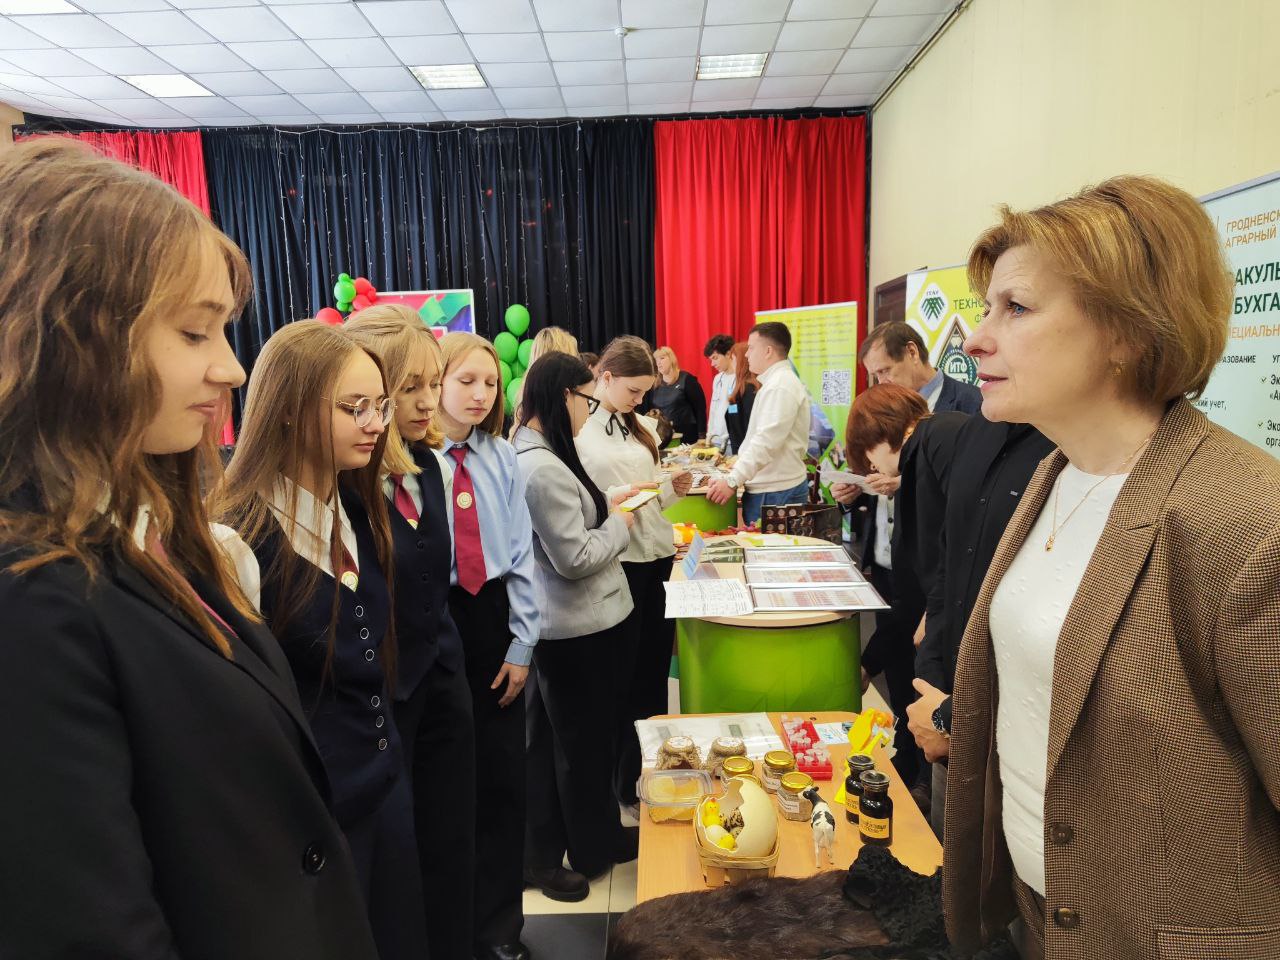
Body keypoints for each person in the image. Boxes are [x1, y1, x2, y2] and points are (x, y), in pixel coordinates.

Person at [0, 139, 378, 960]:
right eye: (194, 332)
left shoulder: (152, 532)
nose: (232, 369)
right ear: (73, 334)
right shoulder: (32, 595)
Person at [941, 176, 1280, 959]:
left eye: (1016, 308)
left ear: (1127, 330)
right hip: (1041, 917)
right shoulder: (1057, 474)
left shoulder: (1247, 522)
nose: (976, 339)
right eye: (987, 307)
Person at [215, 321, 426, 960]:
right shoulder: (239, 539)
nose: (376, 424)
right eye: (353, 407)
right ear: (287, 410)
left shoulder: (357, 507)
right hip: (311, 822)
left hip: (385, 788)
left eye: (379, 405)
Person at [344, 307, 476, 960]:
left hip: (442, 679)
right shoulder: (345, 483)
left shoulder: (427, 464)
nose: (429, 403)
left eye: (433, 383)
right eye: (410, 388)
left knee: (452, 838)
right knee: (399, 860)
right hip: (384, 697)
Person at [514, 353, 640, 894]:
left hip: (580, 626)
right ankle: (588, 850)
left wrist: (609, 502)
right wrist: (621, 525)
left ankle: (599, 836)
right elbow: (574, 557)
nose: (591, 411)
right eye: (587, 400)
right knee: (579, 749)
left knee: (581, 744)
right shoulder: (539, 466)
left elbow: (573, 514)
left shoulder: (544, 453)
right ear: (564, 394)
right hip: (574, 630)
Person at [434, 331, 541, 960]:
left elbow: (522, 554)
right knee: (449, 783)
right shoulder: (411, 459)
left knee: (503, 781)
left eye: (490, 383)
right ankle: (450, 926)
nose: (479, 394)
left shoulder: (501, 456)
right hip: (437, 616)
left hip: (493, 614)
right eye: (465, 380)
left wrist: (522, 644)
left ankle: (501, 927)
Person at [904, 413, 1054, 837]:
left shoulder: (1077, 453)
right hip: (952, 720)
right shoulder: (975, 433)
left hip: (1020, 744)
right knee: (950, 857)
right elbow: (950, 568)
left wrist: (954, 717)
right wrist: (933, 692)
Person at [576, 336, 693, 807]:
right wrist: (621, 498)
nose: (640, 400)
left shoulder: (640, 426)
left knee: (652, 674)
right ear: (606, 378)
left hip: (656, 555)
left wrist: (670, 489)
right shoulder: (581, 431)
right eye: (633, 390)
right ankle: (618, 784)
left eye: (645, 392)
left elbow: (650, 499)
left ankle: (646, 776)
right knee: (620, 678)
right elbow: (585, 504)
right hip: (618, 562)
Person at [840, 383, 969, 797]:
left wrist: (934, 611)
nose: (873, 469)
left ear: (878, 436)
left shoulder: (936, 442)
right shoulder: (933, 445)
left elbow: (942, 556)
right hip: (938, 613)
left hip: (953, 622)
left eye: (869, 458)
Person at [706, 322, 810, 526]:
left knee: (770, 548)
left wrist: (732, 480)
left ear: (768, 351)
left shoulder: (780, 386)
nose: (746, 355)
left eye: (751, 348)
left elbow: (766, 442)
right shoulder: (775, 383)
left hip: (775, 492)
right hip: (772, 490)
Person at [859, 320, 983, 415]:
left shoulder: (974, 403)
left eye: (884, 371)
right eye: (875, 376)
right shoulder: (887, 412)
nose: (881, 383)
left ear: (912, 352)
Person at [647, 346, 707, 443]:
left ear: (671, 359)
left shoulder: (687, 379)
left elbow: (700, 409)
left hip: (687, 436)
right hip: (664, 437)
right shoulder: (655, 384)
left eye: (662, 358)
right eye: (656, 360)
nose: (658, 363)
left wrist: (702, 436)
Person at [723, 341, 759, 455]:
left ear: (742, 362)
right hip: (740, 450)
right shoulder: (741, 388)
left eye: (733, 359)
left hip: (747, 453)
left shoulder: (749, 390)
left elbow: (750, 426)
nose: (731, 364)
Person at [702, 334, 737, 450]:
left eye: (715, 358)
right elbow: (713, 409)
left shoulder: (740, 379)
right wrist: (709, 436)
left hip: (732, 442)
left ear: (728, 354)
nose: (712, 364)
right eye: (711, 360)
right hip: (715, 440)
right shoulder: (717, 379)